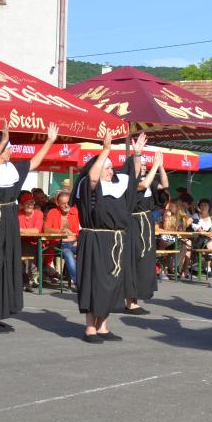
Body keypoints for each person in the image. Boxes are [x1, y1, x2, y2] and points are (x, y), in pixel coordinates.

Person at [0, 121, 58, 333]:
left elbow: (33, 163)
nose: (10, 152)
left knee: (5, 265)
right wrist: (3, 141)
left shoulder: (11, 169)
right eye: (8, 149)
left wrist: (49, 141)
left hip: (8, 221)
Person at [72, 130, 141, 343]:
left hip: (115, 241)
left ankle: (102, 326)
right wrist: (106, 150)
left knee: (111, 283)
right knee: (94, 283)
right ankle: (90, 328)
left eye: (112, 167)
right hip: (95, 240)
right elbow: (93, 178)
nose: (111, 171)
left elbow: (135, 178)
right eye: (107, 167)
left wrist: (137, 155)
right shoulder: (88, 186)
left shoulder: (116, 186)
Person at [125, 146, 168, 314]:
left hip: (146, 222)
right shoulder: (130, 181)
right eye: (141, 164)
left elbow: (165, 185)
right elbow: (142, 185)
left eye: (145, 164)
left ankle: (136, 297)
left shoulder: (149, 180)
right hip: (134, 223)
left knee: (145, 261)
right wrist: (155, 165)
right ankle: (130, 302)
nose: (143, 166)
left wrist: (161, 166)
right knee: (134, 259)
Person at [43, 190, 80, 288]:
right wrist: (60, 231)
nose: (66, 205)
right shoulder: (53, 212)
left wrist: (78, 240)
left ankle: (91, 280)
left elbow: (82, 229)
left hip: (76, 243)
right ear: (57, 203)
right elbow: (46, 229)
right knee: (68, 254)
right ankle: (79, 283)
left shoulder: (75, 211)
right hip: (60, 244)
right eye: (63, 203)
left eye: (68, 203)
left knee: (89, 252)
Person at [17, 191, 44, 293]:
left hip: (34, 242)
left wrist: (21, 230)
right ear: (22, 205)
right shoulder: (18, 214)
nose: (30, 205)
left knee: (27, 248)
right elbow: (15, 229)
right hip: (19, 241)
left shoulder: (38, 213)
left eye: (31, 203)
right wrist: (25, 231)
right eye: (27, 203)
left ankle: (29, 278)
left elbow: (36, 231)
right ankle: (28, 278)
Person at [190, 198, 212, 278]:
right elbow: (198, 229)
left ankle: (209, 267)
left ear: (209, 207)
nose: (203, 207)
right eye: (201, 205)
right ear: (199, 207)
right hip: (198, 240)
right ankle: (208, 268)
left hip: (210, 240)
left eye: (205, 205)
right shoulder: (196, 216)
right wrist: (208, 234)